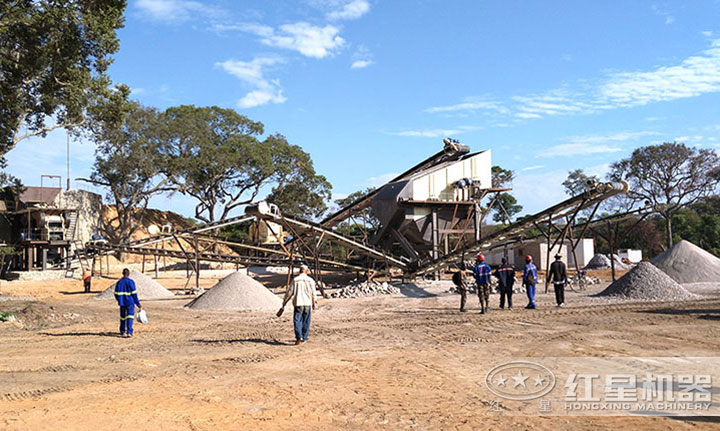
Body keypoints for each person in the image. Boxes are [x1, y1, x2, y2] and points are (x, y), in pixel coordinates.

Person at [278, 264, 318, 345]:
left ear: (300, 271)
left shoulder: (295, 280)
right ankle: (304, 336)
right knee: (306, 320)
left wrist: (284, 303)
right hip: (307, 303)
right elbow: (314, 293)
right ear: (307, 271)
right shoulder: (310, 280)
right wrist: (314, 302)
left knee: (297, 320)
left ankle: (299, 336)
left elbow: (289, 293)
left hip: (298, 303)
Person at [114, 268, 142, 338]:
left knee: (122, 317)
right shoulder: (130, 282)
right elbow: (134, 294)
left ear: (122, 273)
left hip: (122, 302)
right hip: (130, 302)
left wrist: (119, 299)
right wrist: (138, 303)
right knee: (130, 316)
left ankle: (122, 331)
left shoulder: (119, 282)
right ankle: (129, 332)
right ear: (128, 274)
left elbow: (115, 293)